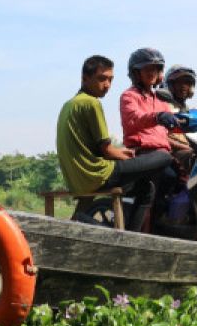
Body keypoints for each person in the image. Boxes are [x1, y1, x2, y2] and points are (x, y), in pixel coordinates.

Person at [56, 54, 172, 231]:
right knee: (164, 157)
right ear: (85, 78)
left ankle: (128, 234)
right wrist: (129, 156)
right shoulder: (91, 103)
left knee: (145, 187)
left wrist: (122, 153)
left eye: (110, 79)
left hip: (78, 178)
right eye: (102, 79)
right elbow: (107, 151)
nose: (107, 85)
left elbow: (98, 148)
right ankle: (130, 237)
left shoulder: (69, 104)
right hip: (96, 173)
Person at [119, 48, 190, 157]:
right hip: (142, 151)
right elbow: (134, 119)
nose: (152, 73)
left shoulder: (160, 99)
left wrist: (191, 146)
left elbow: (167, 135)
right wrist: (157, 117)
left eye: (155, 69)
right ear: (136, 73)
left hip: (162, 152)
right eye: (147, 68)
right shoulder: (129, 96)